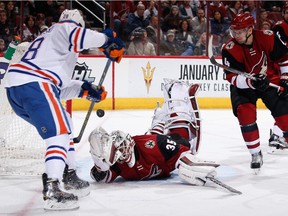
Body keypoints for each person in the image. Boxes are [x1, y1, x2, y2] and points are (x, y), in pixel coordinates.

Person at [3, 9, 124, 210]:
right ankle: (53, 187)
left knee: (65, 124)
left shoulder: (53, 44)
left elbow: (57, 89)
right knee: (58, 135)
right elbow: (81, 36)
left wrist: (84, 90)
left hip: (21, 89)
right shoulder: (63, 29)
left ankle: (68, 175)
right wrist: (107, 40)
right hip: (34, 84)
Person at [88, 79, 218, 185]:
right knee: (153, 135)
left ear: (128, 142)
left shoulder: (154, 144)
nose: (123, 154)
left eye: (122, 148)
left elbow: (183, 150)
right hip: (153, 142)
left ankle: (177, 105)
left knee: (181, 139)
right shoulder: (119, 165)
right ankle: (159, 120)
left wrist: (187, 164)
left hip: (161, 144)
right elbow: (100, 177)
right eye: (119, 154)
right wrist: (100, 165)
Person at [221, 13, 288, 171]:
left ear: (250, 29)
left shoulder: (268, 37)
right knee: (245, 114)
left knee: (285, 118)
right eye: (234, 32)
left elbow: (284, 58)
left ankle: (280, 134)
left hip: (269, 80)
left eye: (240, 32)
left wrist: (285, 78)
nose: (236, 35)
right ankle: (255, 153)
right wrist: (250, 82)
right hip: (244, 87)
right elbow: (232, 78)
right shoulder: (229, 49)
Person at [268, 4, 288, 150]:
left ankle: (279, 134)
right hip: (281, 69)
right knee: (283, 102)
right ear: (283, 12)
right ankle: (278, 134)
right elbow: (282, 50)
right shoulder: (279, 27)